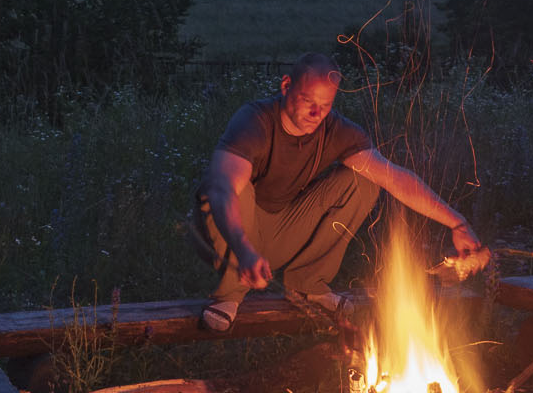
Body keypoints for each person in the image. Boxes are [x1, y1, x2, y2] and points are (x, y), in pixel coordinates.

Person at [195, 53, 485, 331]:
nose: (315, 113)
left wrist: (457, 222)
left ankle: (308, 286)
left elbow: (395, 178)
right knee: (226, 183)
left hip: (283, 229)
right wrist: (245, 249)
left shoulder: (335, 130)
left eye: (325, 105)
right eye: (307, 101)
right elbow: (222, 190)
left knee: (366, 180)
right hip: (232, 232)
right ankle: (230, 293)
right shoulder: (254, 120)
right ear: (286, 86)